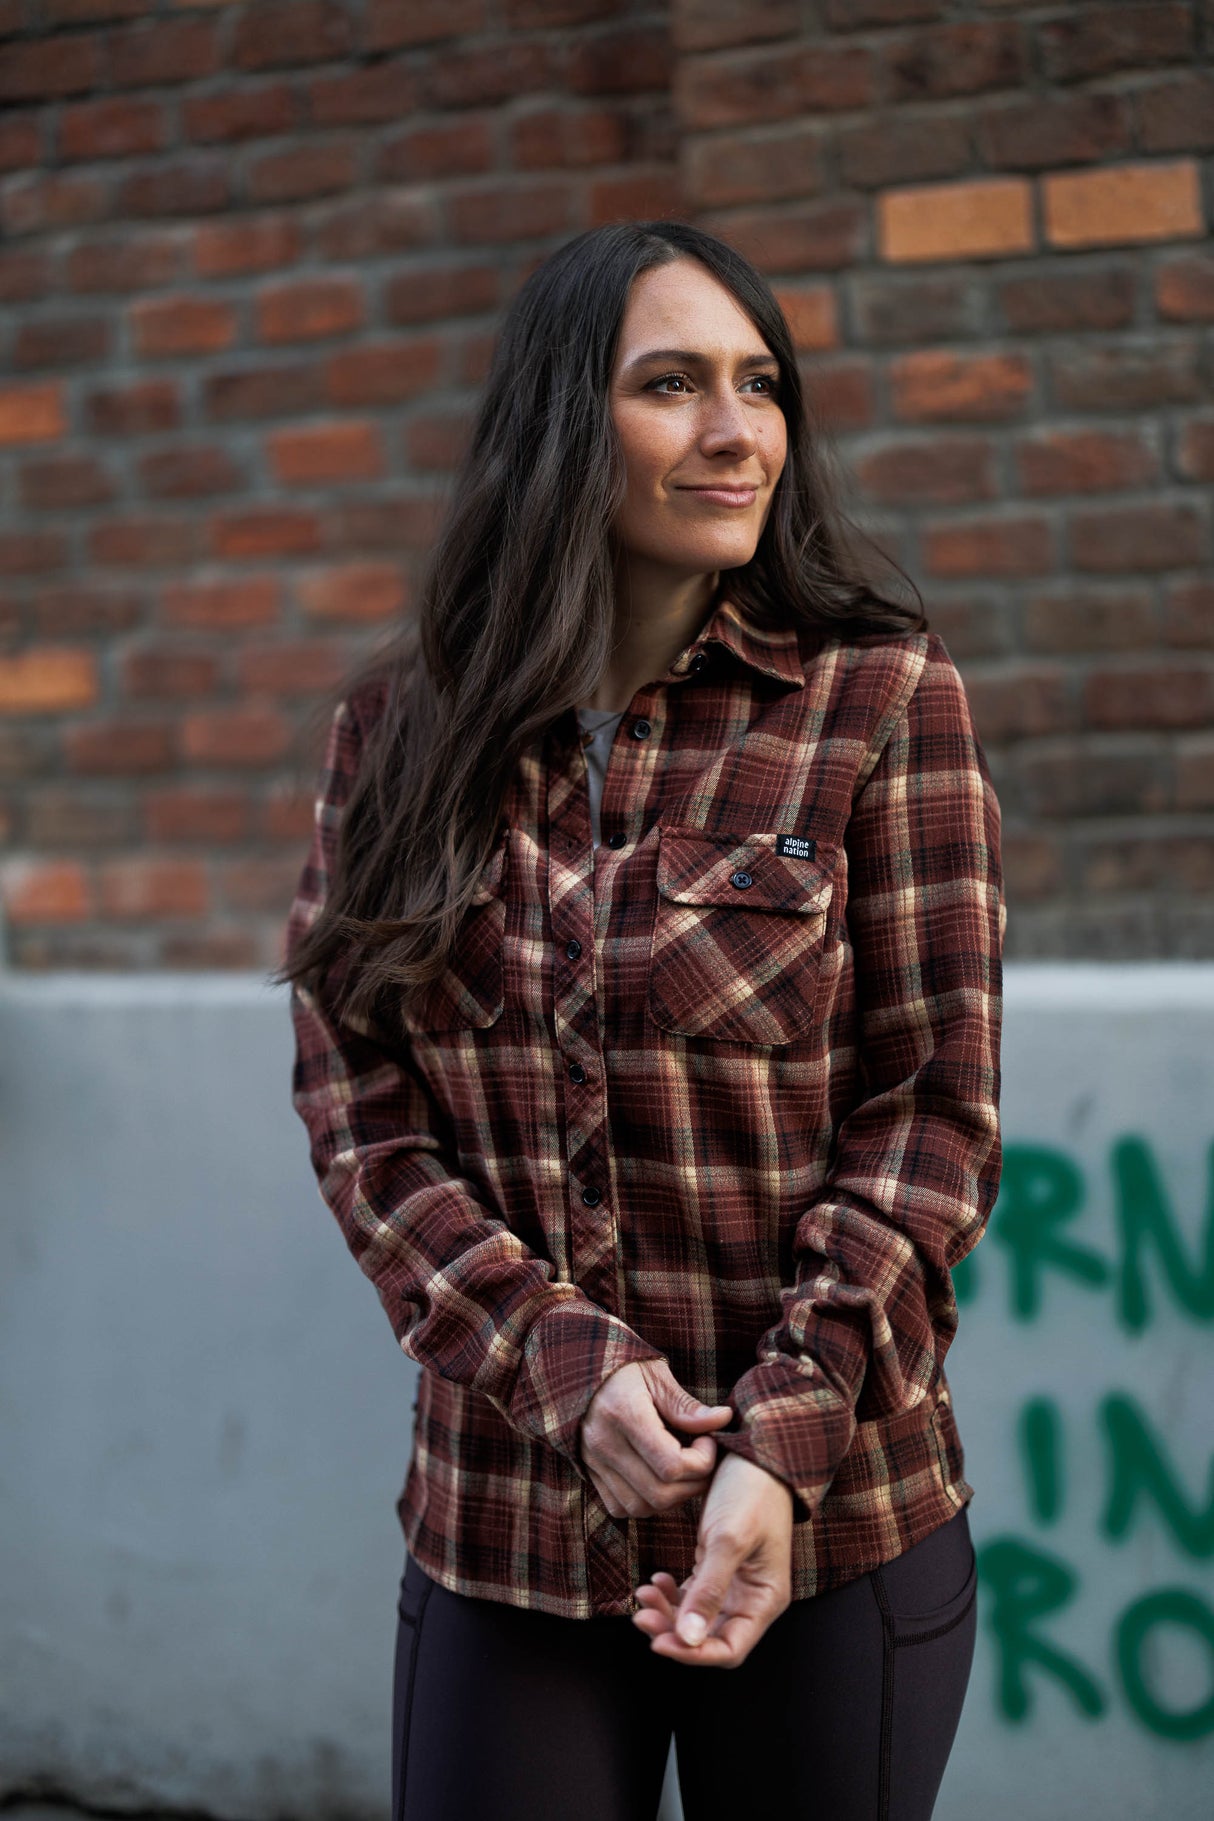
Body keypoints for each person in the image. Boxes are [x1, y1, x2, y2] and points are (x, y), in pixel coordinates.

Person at [277, 220, 1004, 1821]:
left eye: (760, 385)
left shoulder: (878, 700)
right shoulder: (398, 736)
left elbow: (931, 1114)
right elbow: (360, 1113)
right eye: (670, 385)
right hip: (507, 1521)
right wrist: (563, 1368)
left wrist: (783, 1436)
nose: (737, 431)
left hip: (830, 1526)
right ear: (557, 425)